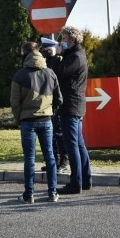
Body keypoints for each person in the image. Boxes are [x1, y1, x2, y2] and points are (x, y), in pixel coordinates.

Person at [11, 41, 63, 203]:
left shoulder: (20, 75)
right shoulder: (50, 73)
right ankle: (52, 192)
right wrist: (50, 112)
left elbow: (14, 101)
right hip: (46, 120)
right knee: (50, 157)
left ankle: (29, 194)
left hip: (27, 121)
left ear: (25, 54)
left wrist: (19, 117)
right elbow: (59, 99)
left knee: (29, 158)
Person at [46, 25, 91, 195]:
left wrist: (56, 56)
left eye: (63, 39)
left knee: (72, 145)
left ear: (72, 40)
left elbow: (60, 72)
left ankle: (76, 182)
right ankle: (85, 180)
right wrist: (59, 55)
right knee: (79, 144)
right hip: (74, 105)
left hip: (70, 106)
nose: (61, 42)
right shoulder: (75, 55)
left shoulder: (76, 57)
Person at [40, 37, 68, 173]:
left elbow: (55, 77)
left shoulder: (58, 61)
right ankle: (54, 161)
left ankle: (63, 161)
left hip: (57, 102)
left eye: (46, 51)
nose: (44, 53)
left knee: (59, 133)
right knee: (52, 134)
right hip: (49, 102)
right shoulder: (48, 62)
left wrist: (53, 57)